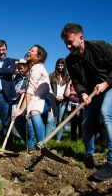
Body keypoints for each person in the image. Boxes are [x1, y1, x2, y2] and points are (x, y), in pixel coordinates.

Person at [61, 23, 112, 181]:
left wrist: (106, 83)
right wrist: (83, 94)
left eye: (70, 42)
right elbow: (76, 82)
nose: (68, 46)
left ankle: (111, 162)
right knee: (85, 123)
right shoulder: (70, 60)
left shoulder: (100, 47)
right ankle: (89, 155)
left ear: (81, 38)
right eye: (66, 43)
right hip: (91, 92)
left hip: (109, 86)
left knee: (106, 113)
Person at [12, 45, 57, 151]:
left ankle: (41, 146)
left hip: (45, 98)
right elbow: (30, 88)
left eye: (32, 51)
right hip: (35, 98)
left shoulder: (37, 68)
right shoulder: (32, 68)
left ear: (38, 56)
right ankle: (30, 146)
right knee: (18, 122)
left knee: (34, 112)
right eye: (29, 50)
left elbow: (31, 90)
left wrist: (21, 109)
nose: (28, 51)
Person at [45, 58, 69, 142]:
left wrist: (64, 97)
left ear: (65, 66)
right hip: (52, 100)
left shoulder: (68, 77)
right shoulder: (52, 75)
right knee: (49, 120)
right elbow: (47, 87)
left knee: (60, 121)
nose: (60, 67)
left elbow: (69, 89)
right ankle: (46, 140)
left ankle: (58, 140)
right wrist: (55, 96)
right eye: (59, 65)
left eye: (62, 65)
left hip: (63, 101)